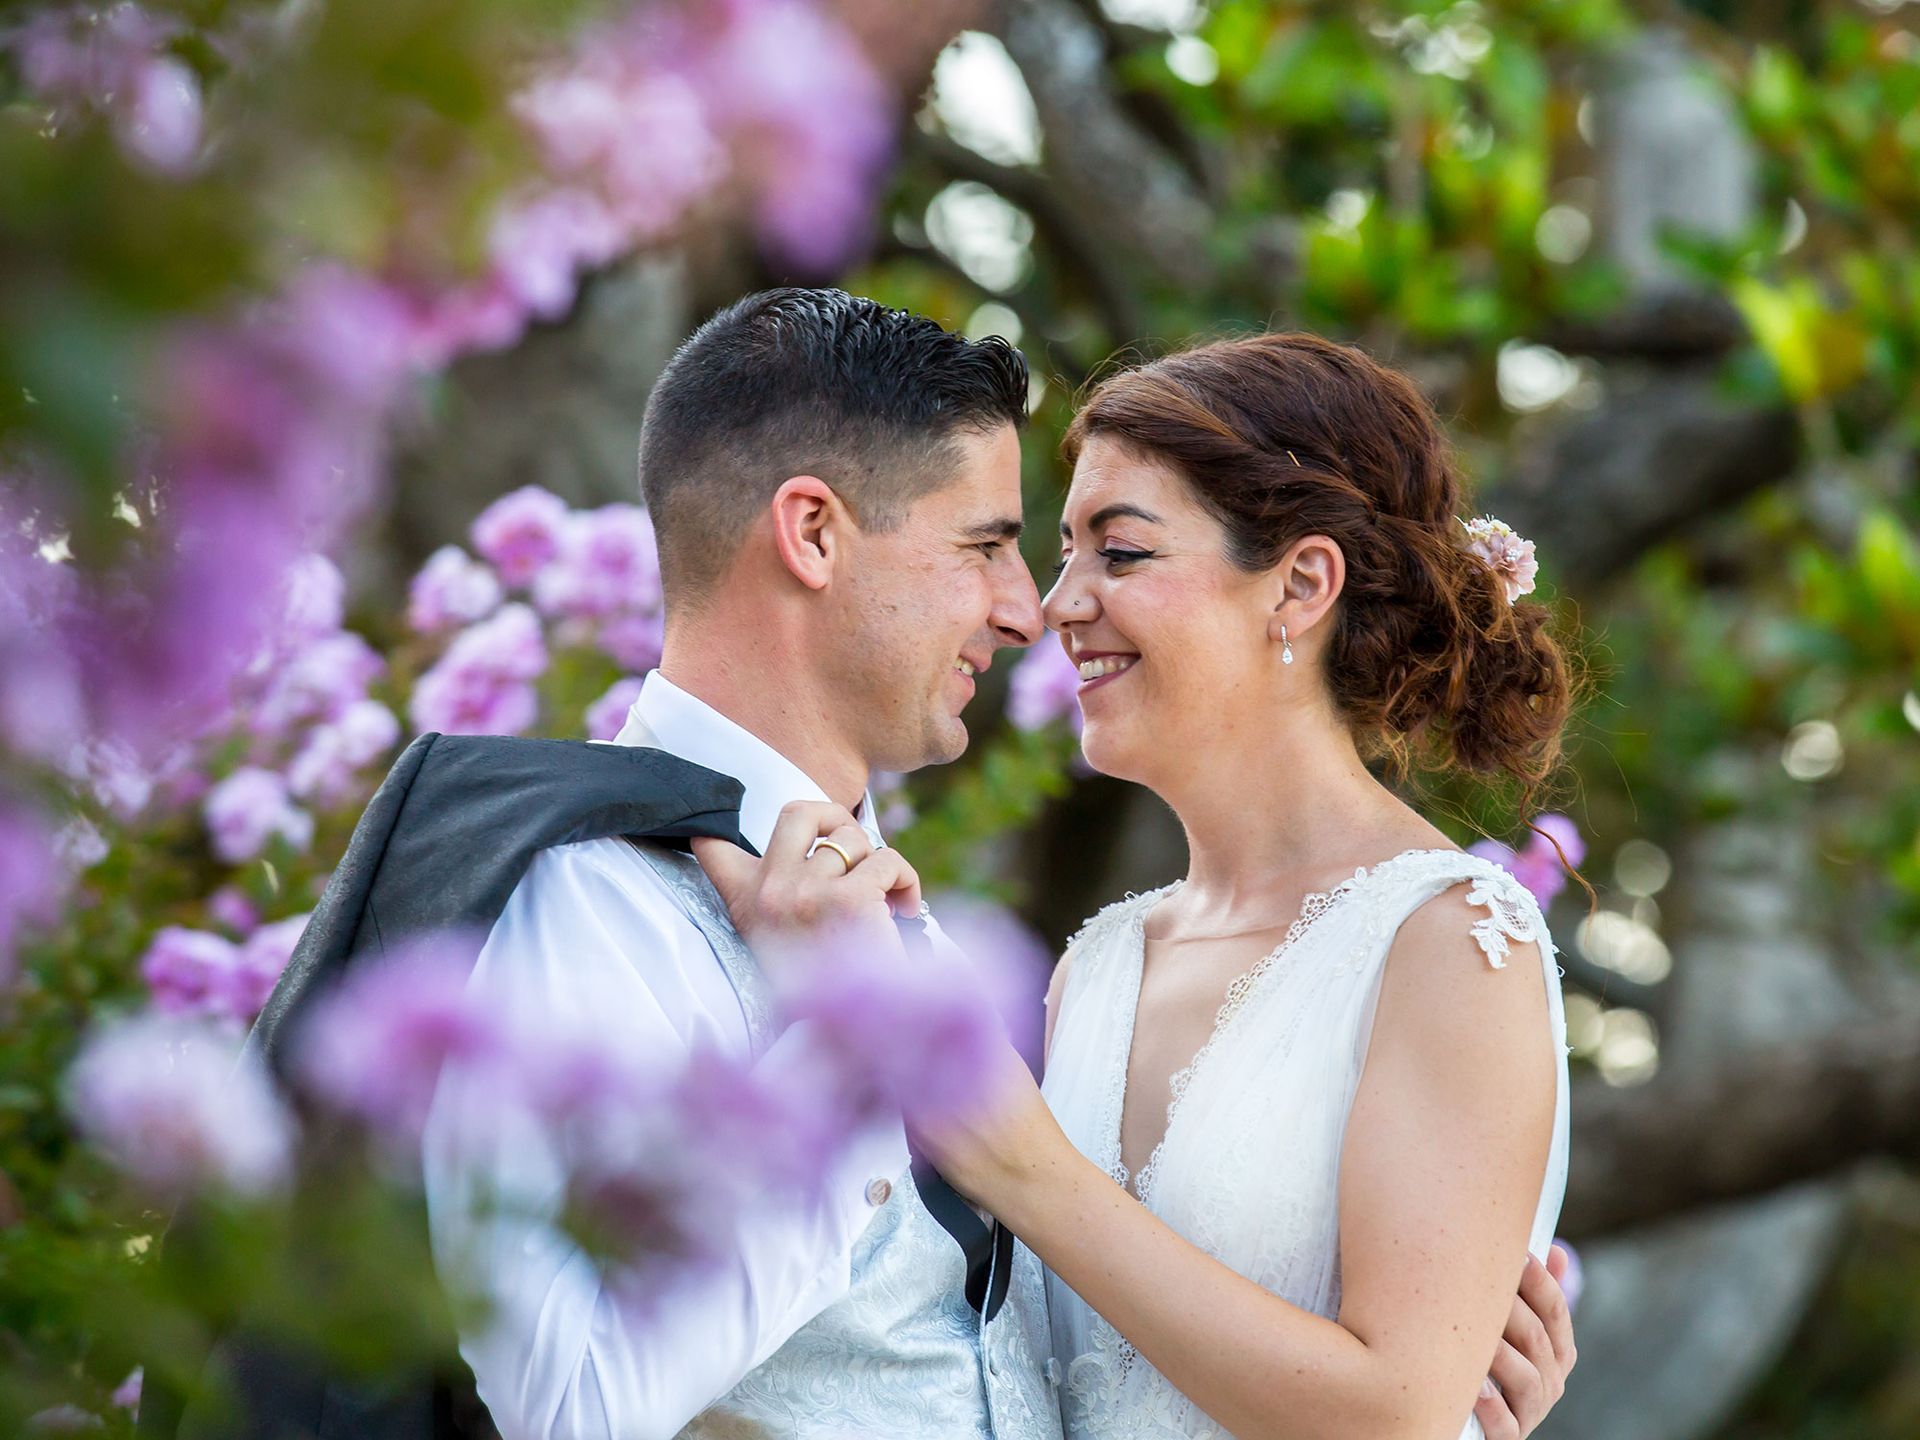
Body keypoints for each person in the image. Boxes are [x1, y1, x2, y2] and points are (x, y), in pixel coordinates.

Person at [427, 291, 1574, 1439]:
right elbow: (571, 1400)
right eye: (1002, 546)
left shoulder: (1444, 940)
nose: (1043, 607)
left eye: (1115, 551)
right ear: (814, 534)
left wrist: (1428, 1408)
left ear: (1302, 586)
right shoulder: (1087, 964)